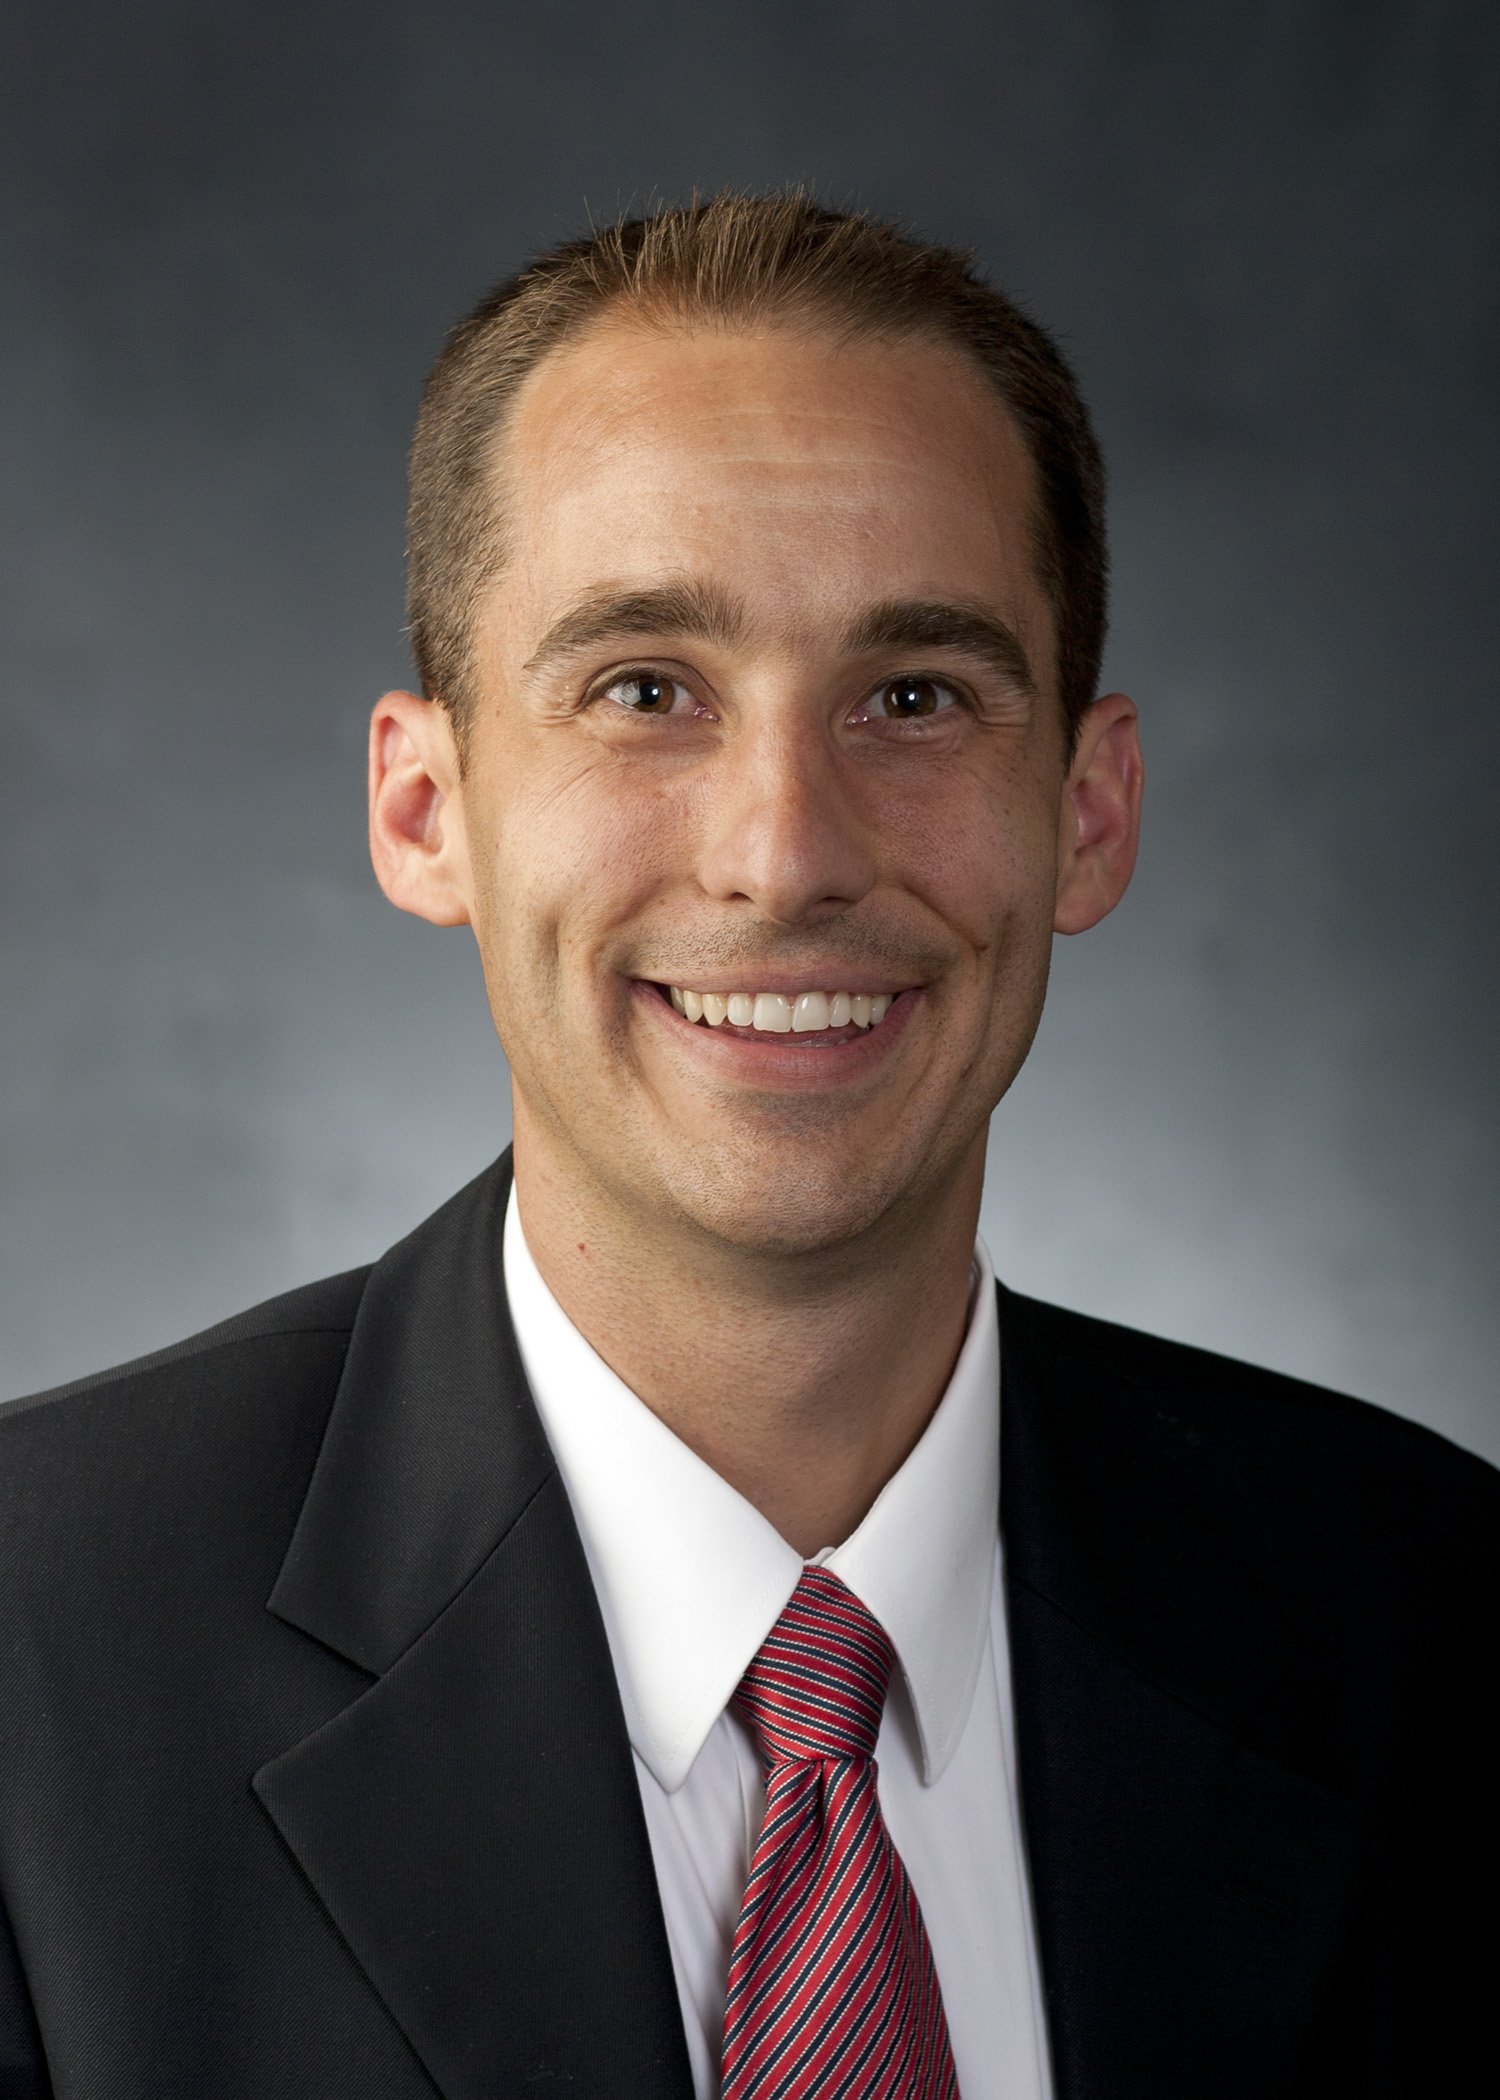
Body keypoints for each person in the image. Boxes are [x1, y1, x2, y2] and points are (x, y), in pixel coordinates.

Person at [0, 193, 1493, 2100]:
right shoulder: (33, 1664)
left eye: (916, 696)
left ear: (1091, 813)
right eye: (645, 692)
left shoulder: (1429, 1624)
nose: (787, 852)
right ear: (424, 806)